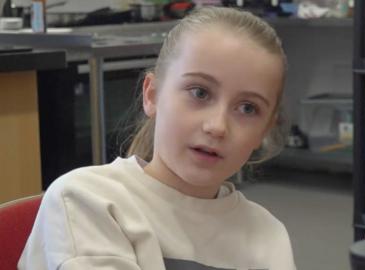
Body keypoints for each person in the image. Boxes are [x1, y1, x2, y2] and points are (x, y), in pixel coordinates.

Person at [18, 6, 296, 270]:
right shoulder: (86, 200)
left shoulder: (268, 235)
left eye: (248, 108)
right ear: (151, 95)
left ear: (264, 130)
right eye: (200, 92)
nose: (217, 126)